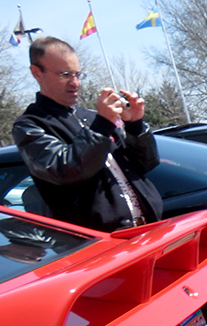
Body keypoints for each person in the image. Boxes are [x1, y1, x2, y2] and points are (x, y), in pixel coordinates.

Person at [13, 37, 161, 232]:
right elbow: (67, 170)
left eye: (77, 74)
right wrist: (102, 127)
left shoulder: (92, 117)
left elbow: (145, 163)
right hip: (100, 242)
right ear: (36, 73)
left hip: (147, 227)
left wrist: (135, 126)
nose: (75, 83)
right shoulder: (30, 125)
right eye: (64, 74)